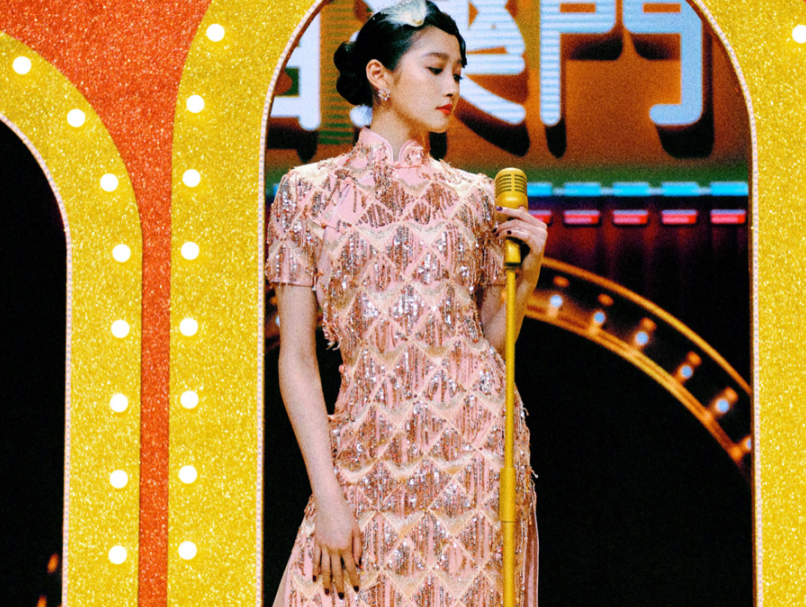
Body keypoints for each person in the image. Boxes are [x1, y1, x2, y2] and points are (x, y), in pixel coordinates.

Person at [266, 1, 548, 605]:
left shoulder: (474, 197)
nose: (452, 88)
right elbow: (297, 360)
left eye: (458, 74)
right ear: (380, 76)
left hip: (472, 457)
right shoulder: (307, 193)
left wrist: (525, 280)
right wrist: (329, 494)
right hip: (363, 451)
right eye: (436, 69)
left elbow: (488, 345)